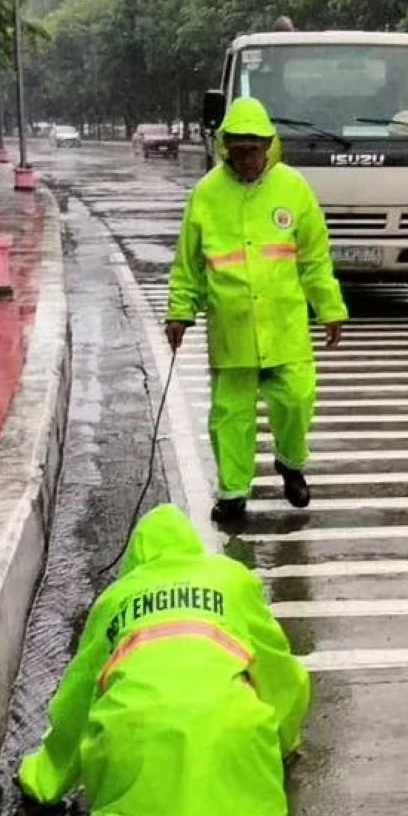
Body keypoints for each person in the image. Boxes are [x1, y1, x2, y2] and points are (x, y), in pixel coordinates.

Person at [17, 504, 398, 816]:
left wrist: (44, 778)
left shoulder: (115, 600)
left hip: (133, 741)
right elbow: (282, 673)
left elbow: (74, 703)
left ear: (139, 558)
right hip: (233, 738)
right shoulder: (230, 580)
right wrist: (284, 742)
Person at [166, 96, 346, 527]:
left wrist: (330, 308)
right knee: (231, 415)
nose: (247, 158)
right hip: (232, 330)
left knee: (297, 400)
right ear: (226, 147)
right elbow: (187, 263)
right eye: (238, 149)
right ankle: (232, 493)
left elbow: (315, 258)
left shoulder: (294, 189)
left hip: (285, 326)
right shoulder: (206, 194)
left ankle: (290, 463)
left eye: (254, 149)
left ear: (270, 146)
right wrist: (179, 312)